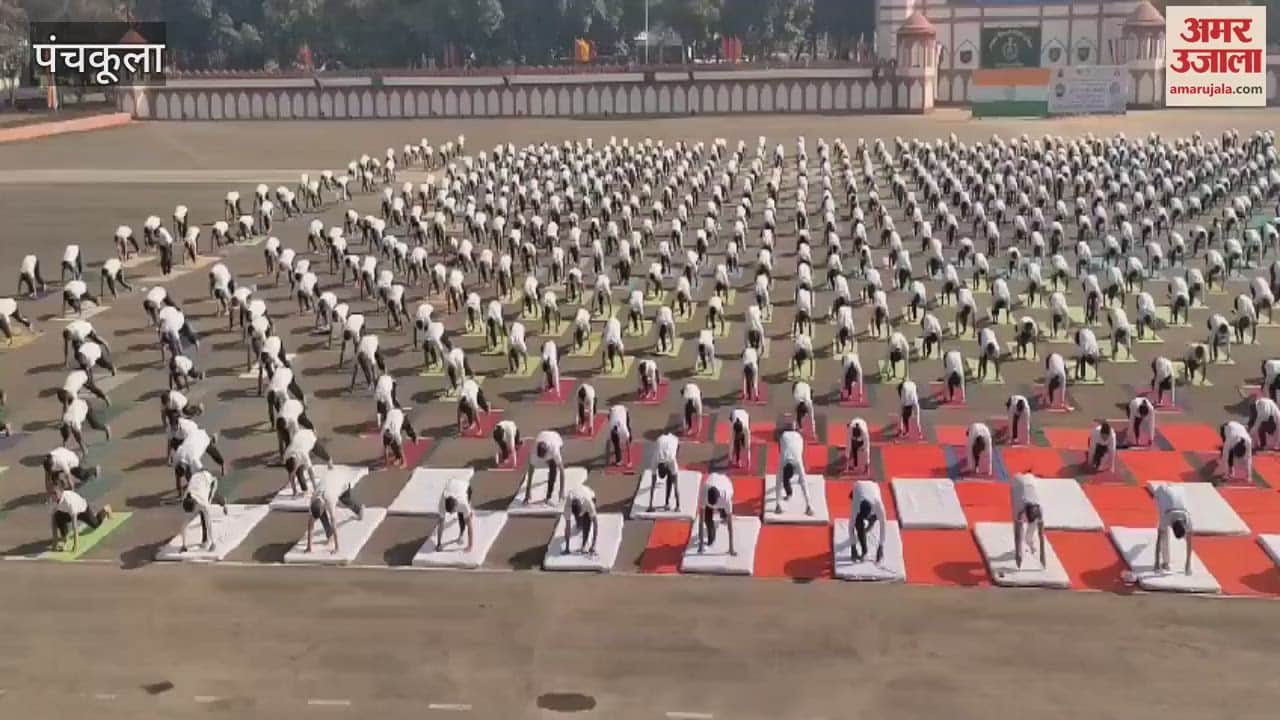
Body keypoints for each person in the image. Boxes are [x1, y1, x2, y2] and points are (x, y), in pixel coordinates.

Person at [306, 465, 365, 555]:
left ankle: (359, 510)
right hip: (331, 478)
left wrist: (337, 548)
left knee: (345, 500)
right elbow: (310, 523)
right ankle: (330, 536)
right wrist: (309, 547)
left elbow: (334, 522)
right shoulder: (313, 500)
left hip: (342, 481)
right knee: (321, 516)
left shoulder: (330, 499)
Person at [179, 470, 229, 553]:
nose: (191, 513)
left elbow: (208, 522)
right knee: (195, 516)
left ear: (195, 504)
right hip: (197, 478)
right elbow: (184, 524)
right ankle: (205, 539)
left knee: (211, 501)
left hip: (209, 480)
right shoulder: (185, 498)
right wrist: (183, 545)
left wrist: (213, 543)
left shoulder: (203, 503)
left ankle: (223, 503)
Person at [49, 486, 112, 553]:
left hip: (82, 510)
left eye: (55, 493)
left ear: (61, 492)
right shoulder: (54, 500)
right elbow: (53, 520)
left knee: (95, 524)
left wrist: (76, 545)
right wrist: (54, 542)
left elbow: (74, 525)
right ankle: (64, 539)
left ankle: (106, 509)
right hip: (68, 511)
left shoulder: (69, 502)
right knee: (57, 516)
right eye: (52, 493)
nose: (53, 496)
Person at [1153, 483, 1193, 575]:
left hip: (1179, 491)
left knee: (1163, 531)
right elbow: (1159, 540)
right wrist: (1156, 563)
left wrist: (1188, 564)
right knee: (1164, 534)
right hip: (1161, 490)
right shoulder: (1166, 518)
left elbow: (1189, 542)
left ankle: (1166, 562)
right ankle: (1165, 562)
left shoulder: (1187, 518)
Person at [1010, 473, 1045, 570]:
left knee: (1030, 533)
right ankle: (1022, 549)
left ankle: (1030, 542)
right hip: (1016, 482)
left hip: (1030, 480)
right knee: (1018, 524)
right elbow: (1017, 533)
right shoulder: (1019, 508)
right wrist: (1018, 553)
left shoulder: (1039, 510)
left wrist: (1042, 555)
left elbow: (1041, 534)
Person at [775, 429, 814, 516]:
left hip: (798, 439)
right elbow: (778, 483)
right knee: (785, 478)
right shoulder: (782, 462)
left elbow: (804, 483)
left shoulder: (797, 462)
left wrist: (809, 505)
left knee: (802, 478)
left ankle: (809, 506)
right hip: (786, 438)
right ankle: (789, 494)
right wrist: (778, 504)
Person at [521, 430, 565, 505]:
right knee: (547, 463)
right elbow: (531, 471)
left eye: (544, 457)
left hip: (557, 439)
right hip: (543, 435)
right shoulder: (534, 450)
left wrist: (561, 491)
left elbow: (562, 471)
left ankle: (549, 496)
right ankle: (548, 487)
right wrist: (527, 493)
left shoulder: (554, 450)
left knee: (553, 467)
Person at [697, 473, 736, 555]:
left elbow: (730, 526)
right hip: (712, 479)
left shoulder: (726, 497)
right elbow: (701, 521)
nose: (713, 507)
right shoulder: (703, 493)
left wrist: (731, 548)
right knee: (707, 519)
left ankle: (723, 514)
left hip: (725, 482)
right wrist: (700, 545)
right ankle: (711, 539)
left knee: (724, 514)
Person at [849, 480, 886, 563]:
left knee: (876, 517)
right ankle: (864, 550)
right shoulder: (856, 506)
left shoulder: (878, 506)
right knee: (858, 524)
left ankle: (871, 522)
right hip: (858, 487)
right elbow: (851, 527)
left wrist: (881, 547)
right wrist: (853, 547)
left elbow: (883, 526)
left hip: (873, 487)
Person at [437, 474, 474, 553]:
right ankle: (468, 514)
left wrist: (470, 546)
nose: (451, 514)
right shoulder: (442, 503)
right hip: (452, 484)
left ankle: (461, 534)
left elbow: (470, 526)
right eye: (449, 512)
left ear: (456, 505)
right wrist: (439, 544)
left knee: (463, 516)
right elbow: (441, 523)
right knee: (441, 520)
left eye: (453, 511)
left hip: (466, 487)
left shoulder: (462, 503)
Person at [647, 432, 681, 512]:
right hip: (660, 439)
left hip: (674, 441)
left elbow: (676, 487)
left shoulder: (672, 460)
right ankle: (667, 503)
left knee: (672, 480)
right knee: (670, 479)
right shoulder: (655, 460)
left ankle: (667, 503)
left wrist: (678, 506)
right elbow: (653, 485)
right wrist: (650, 506)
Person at [563, 483, 599, 556]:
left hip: (591, 495)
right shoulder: (568, 504)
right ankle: (579, 522)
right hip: (577, 496)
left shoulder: (588, 502)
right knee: (579, 526)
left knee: (586, 522)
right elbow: (567, 526)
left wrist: (593, 545)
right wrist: (567, 548)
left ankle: (584, 545)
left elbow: (595, 524)